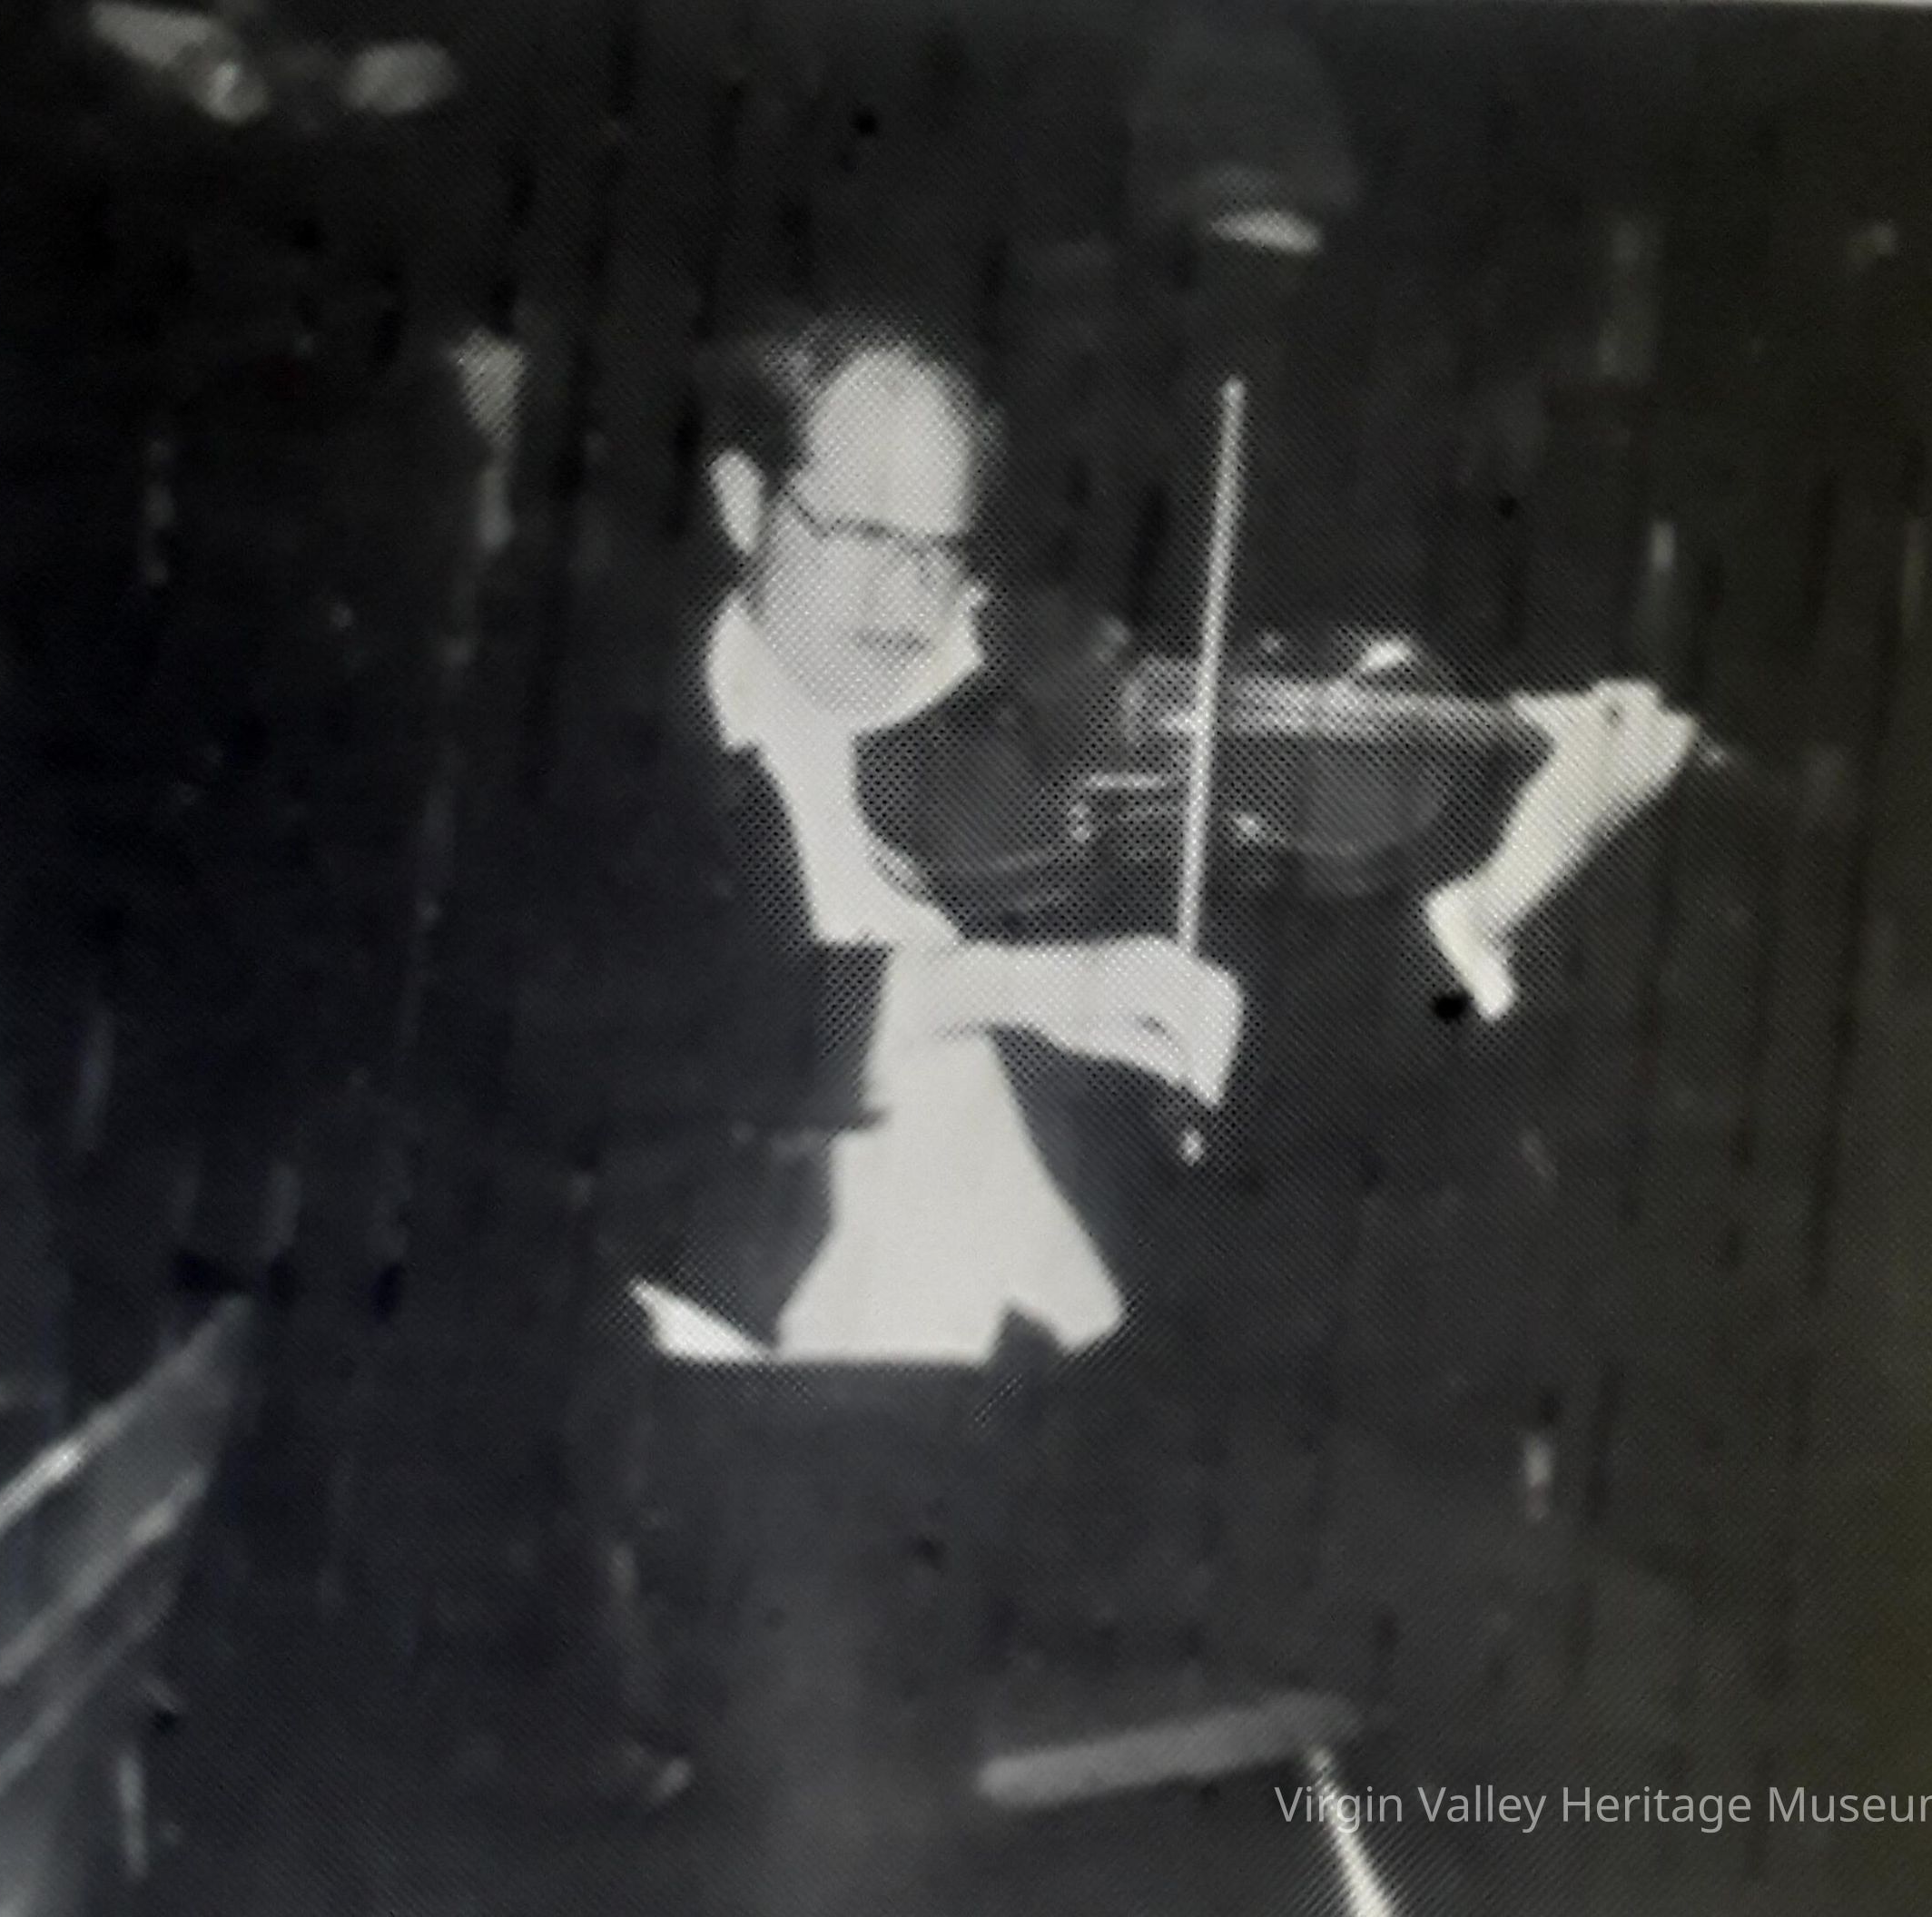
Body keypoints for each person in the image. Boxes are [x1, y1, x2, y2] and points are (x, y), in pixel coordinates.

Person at [523, 300, 1699, 1881]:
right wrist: (996, 985)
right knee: (846, 1841)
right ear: (746, 504)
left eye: (942, 551)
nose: (907, 603)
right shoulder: (613, 751)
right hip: (781, 1443)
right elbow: (618, 1038)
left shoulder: (1043, 740)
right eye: (861, 539)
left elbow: (1276, 1066)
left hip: (1082, 1420)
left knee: (1605, 1655)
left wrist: (1494, 903)